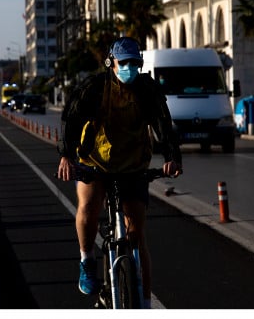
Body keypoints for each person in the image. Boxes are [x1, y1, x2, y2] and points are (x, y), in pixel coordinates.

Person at [56, 37, 182, 308]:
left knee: (137, 234)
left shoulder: (147, 89)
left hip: (133, 164)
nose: (129, 67)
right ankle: (86, 260)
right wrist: (66, 155)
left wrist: (172, 157)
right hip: (95, 162)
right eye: (123, 63)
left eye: (134, 63)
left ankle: (145, 304)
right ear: (111, 63)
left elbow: (163, 123)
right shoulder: (94, 87)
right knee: (89, 206)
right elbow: (72, 118)